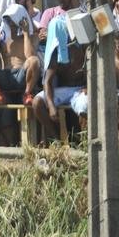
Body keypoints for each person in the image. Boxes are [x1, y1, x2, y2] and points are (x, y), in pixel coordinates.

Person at [33, 15, 86, 143]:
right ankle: (56, 140)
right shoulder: (55, 51)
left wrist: (89, 87)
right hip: (63, 90)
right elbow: (47, 81)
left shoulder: (82, 46)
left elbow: (92, 70)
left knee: (84, 106)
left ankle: (85, 143)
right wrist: (51, 106)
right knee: (37, 102)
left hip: (80, 89)